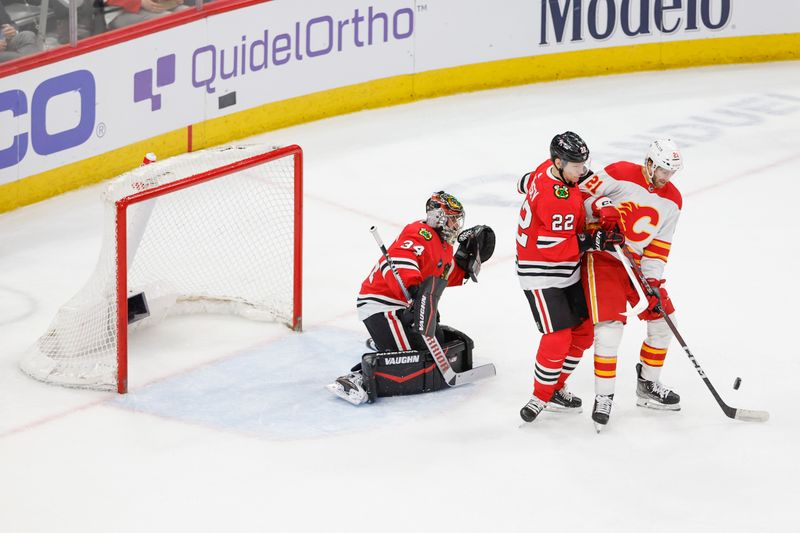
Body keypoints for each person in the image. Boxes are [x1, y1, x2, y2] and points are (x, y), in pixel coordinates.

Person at [326, 191, 495, 405]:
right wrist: (415, 292)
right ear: (438, 217)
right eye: (452, 219)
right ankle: (356, 378)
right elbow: (396, 264)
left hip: (405, 306)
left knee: (437, 345)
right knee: (411, 357)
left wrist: (466, 264)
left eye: (457, 219)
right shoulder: (418, 233)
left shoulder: (444, 245)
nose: (455, 225)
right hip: (382, 304)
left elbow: (444, 276)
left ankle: (386, 340)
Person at [516, 131, 624, 423]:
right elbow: (551, 247)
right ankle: (541, 395)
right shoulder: (555, 200)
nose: (583, 170)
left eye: (582, 162)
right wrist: (592, 241)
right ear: (559, 162)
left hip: (566, 269)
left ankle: (552, 387)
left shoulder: (545, 169)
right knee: (559, 335)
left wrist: (601, 204)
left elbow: (523, 182)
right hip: (540, 272)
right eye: (576, 165)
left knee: (584, 332)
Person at [579, 139, 684, 430]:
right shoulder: (620, 172)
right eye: (662, 169)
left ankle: (648, 385)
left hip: (634, 265)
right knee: (610, 330)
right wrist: (602, 208)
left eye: (670, 172)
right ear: (649, 162)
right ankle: (604, 397)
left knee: (664, 321)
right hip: (602, 256)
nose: (665, 177)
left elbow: (659, 246)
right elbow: (582, 197)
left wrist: (652, 281)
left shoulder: (673, 200)